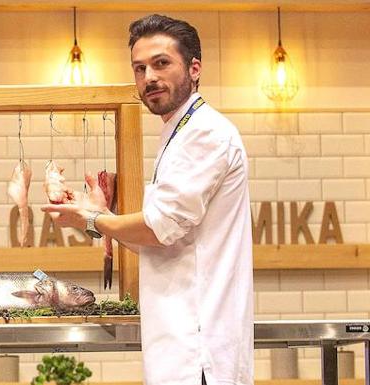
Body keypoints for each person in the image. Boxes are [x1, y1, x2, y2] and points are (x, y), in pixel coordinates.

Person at [41, 14, 254, 385]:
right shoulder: (178, 133)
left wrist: (90, 220)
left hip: (198, 357)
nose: (149, 77)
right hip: (178, 349)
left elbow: (158, 230)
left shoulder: (204, 133)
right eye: (140, 68)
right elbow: (163, 241)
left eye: (161, 63)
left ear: (195, 68)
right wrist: (98, 214)